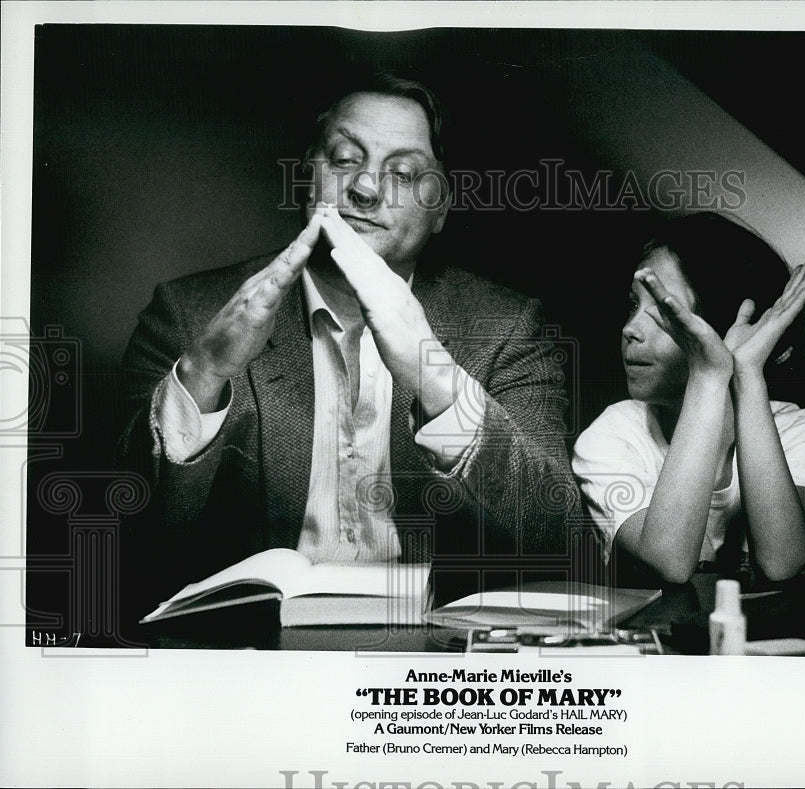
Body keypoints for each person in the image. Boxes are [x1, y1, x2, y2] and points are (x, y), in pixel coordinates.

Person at [116, 72, 580, 607]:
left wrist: (435, 379)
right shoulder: (187, 314)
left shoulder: (506, 328)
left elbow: (559, 541)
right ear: (307, 176)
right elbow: (131, 537)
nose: (364, 188)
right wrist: (204, 370)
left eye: (403, 173)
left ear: (442, 209)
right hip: (248, 650)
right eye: (342, 159)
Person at [572, 212, 805, 585]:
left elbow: (782, 561)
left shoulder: (801, 432)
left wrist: (746, 372)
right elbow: (667, 562)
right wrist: (709, 376)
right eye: (633, 306)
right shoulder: (614, 432)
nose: (629, 329)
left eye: (664, 314)